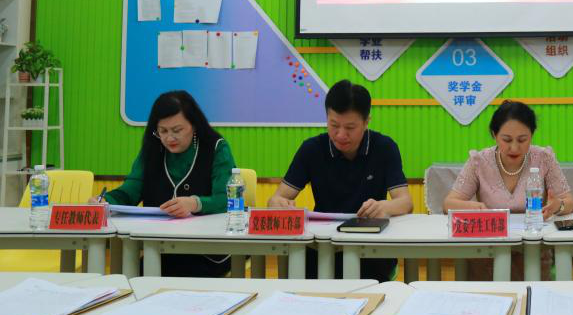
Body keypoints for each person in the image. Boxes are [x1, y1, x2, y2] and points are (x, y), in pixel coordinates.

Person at [268, 79, 412, 280]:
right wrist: (279, 204)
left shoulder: (384, 148)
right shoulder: (312, 149)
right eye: (334, 125)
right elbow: (276, 199)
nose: (341, 135)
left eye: (350, 127)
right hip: (321, 249)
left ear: (366, 121)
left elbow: (405, 202)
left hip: (370, 249)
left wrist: (385, 207)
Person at [94, 90, 236, 277]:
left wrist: (195, 203)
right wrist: (105, 200)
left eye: (177, 130)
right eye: (163, 131)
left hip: (207, 252)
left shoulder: (216, 147)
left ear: (194, 125)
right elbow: (131, 190)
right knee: (135, 277)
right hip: (159, 248)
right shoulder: (152, 148)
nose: (169, 138)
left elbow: (226, 199)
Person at [443, 100, 573, 280]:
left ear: (532, 134)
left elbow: (569, 202)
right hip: (488, 253)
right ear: (494, 135)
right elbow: (448, 204)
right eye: (506, 140)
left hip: (533, 253)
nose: (514, 148)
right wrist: (474, 208)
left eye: (522, 140)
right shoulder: (479, 161)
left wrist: (557, 206)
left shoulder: (544, 158)